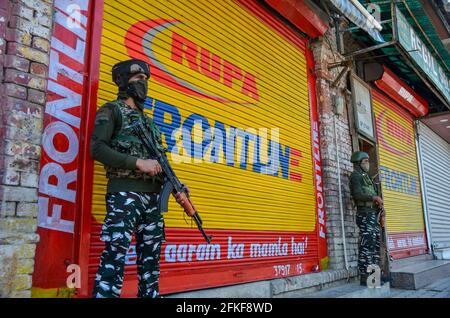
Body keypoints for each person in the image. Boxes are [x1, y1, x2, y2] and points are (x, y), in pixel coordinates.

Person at [90, 59, 184, 298]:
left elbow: (161, 161)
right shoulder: (111, 110)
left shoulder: (149, 123)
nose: (144, 84)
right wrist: (138, 163)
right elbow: (97, 149)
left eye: (146, 80)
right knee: (115, 257)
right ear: (123, 82)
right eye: (138, 79)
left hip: (153, 200)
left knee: (151, 264)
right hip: (124, 194)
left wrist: (177, 187)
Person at [349, 151, 385, 286]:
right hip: (364, 214)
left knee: (375, 245)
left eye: (368, 161)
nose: (368, 163)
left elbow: (374, 194)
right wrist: (373, 198)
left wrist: (381, 209)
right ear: (358, 163)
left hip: (373, 214)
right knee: (366, 245)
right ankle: (365, 277)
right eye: (365, 161)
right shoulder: (356, 176)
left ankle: (375, 278)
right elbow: (358, 195)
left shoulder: (367, 178)